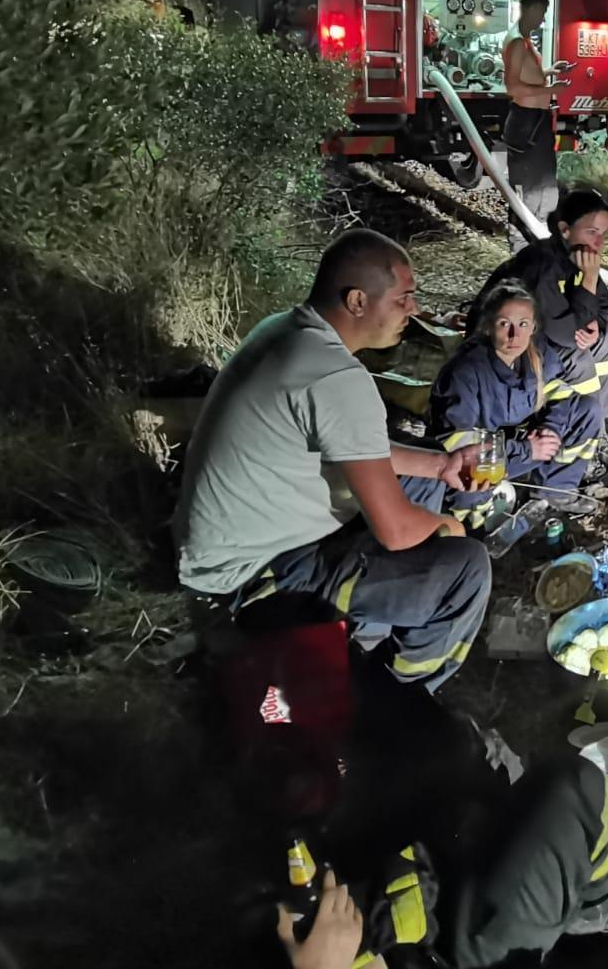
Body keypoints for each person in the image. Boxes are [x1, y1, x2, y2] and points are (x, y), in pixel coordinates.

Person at [174, 229, 491, 689]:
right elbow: (399, 532)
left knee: (426, 480)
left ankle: (371, 621)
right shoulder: (337, 379)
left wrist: (441, 466)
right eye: (404, 298)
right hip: (249, 578)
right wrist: (449, 530)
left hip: (231, 539)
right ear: (359, 301)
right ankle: (405, 693)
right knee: (467, 567)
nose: (415, 311)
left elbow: (352, 444)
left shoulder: (286, 331)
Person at [275, 756, 608, 969]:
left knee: (441, 745)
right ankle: (606, 902)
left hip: (387, 911)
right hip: (444, 955)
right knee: (575, 795)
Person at [472, 189, 608, 478]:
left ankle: (599, 432)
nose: (599, 242)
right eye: (591, 231)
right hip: (507, 347)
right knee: (577, 357)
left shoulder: (577, 256)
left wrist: (598, 328)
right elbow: (566, 335)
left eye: (604, 233)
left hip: (545, 338)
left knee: (605, 343)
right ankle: (583, 437)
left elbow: (606, 310)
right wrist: (590, 280)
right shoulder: (542, 266)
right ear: (565, 230)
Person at [430, 281, 603, 519]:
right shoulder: (465, 371)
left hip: (526, 444)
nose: (515, 335)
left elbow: (558, 391)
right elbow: (457, 444)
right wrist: (526, 450)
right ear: (488, 327)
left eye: (523, 324)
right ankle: (472, 525)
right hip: (488, 456)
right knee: (469, 484)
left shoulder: (536, 350)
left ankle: (555, 490)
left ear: (533, 326)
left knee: (587, 409)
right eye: (504, 324)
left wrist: (549, 429)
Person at [500, 0, 561, 252]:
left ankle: (538, 239)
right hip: (526, 123)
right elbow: (513, 87)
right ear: (532, 9)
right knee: (528, 189)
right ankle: (520, 245)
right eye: (542, 12)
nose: (543, 19)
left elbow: (528, 76)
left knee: (544, 184)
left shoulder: (525, 40)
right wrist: (550, 90)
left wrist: (549, 71)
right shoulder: (516, 42)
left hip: (535, 122)